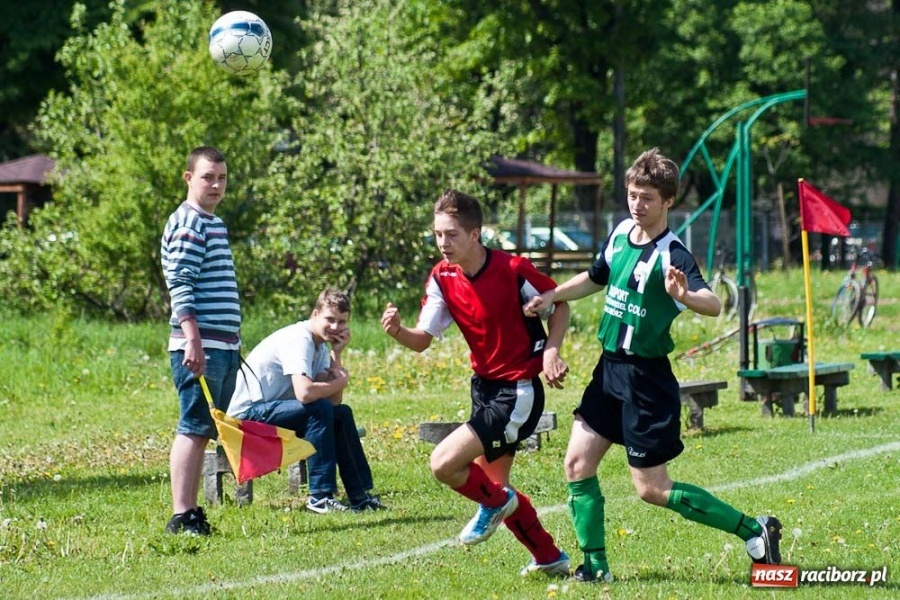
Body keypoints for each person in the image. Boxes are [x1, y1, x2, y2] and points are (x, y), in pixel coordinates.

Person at [523, 148, 783, 583]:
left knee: (652, 489)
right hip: (609, 371)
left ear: (668, 201)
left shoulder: (673, 254)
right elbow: (596, 277)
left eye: (647, 198)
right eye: (632, 195)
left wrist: (684, 295)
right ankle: (596, 568)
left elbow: (713, 304)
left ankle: (754, 530)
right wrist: (554, 295)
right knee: (577, 465)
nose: (637, 204)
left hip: (646, 381)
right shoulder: (621, 233)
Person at [381, 189, 572, 578]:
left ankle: (497, 504)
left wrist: (551, 352)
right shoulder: (443, 276)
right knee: (495, 486)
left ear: (474, 234)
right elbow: (422, 340)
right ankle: (549, 557)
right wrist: (398, 330)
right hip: (484, 388)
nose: (443, 243)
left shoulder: (513, 269)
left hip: (517, 391)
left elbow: (560, 305)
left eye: (451, 234)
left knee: (444, 463)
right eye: (437, 234)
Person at [227, 288, 385, 513]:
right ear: (315, 314)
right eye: (329, 319)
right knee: (318, 409)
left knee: (341, 413)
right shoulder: (300, 339)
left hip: (274, 412)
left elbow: (334, 401)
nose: (335, 327)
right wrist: (341, 381)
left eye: (342, 321)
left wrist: (337, 355)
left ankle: (360, 497)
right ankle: (320, 497)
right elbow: (305, 393)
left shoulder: (320, 346)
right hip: (246, 418)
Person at [161, 146, 242, 535]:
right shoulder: (188, 223)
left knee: (206, 428)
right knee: (193, 426)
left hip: (221, 345)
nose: (216, 185)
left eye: (222, 178)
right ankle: (182, 514)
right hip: (199, 345)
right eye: (208, 177)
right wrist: (192, 339)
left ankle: (193, 510)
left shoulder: (214, 223)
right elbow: (180, 283)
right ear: (189, 178)